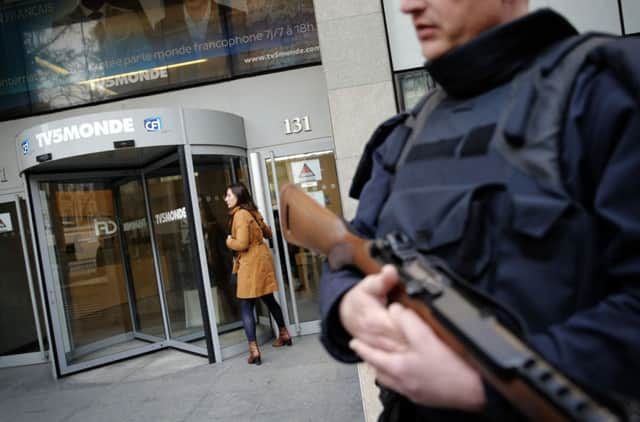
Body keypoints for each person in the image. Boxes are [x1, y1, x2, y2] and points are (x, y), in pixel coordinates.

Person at [319, 0, 640, 420]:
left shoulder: (606, 91)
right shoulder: (407, 133)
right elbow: (349, 248)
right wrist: (347, 305)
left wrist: (485, 387)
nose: (408, 5)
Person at [225, 182, 292, 365]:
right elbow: (269, 233)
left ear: (238, 196)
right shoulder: (253, 212)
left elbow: (242, 244)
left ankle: (254, 351)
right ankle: (284, 334)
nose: (226, 199)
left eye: (229, 195)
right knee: (269, 298)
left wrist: (229, 241)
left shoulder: (240, 215)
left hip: (250, 263)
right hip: (262, 259)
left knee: (246, 306)